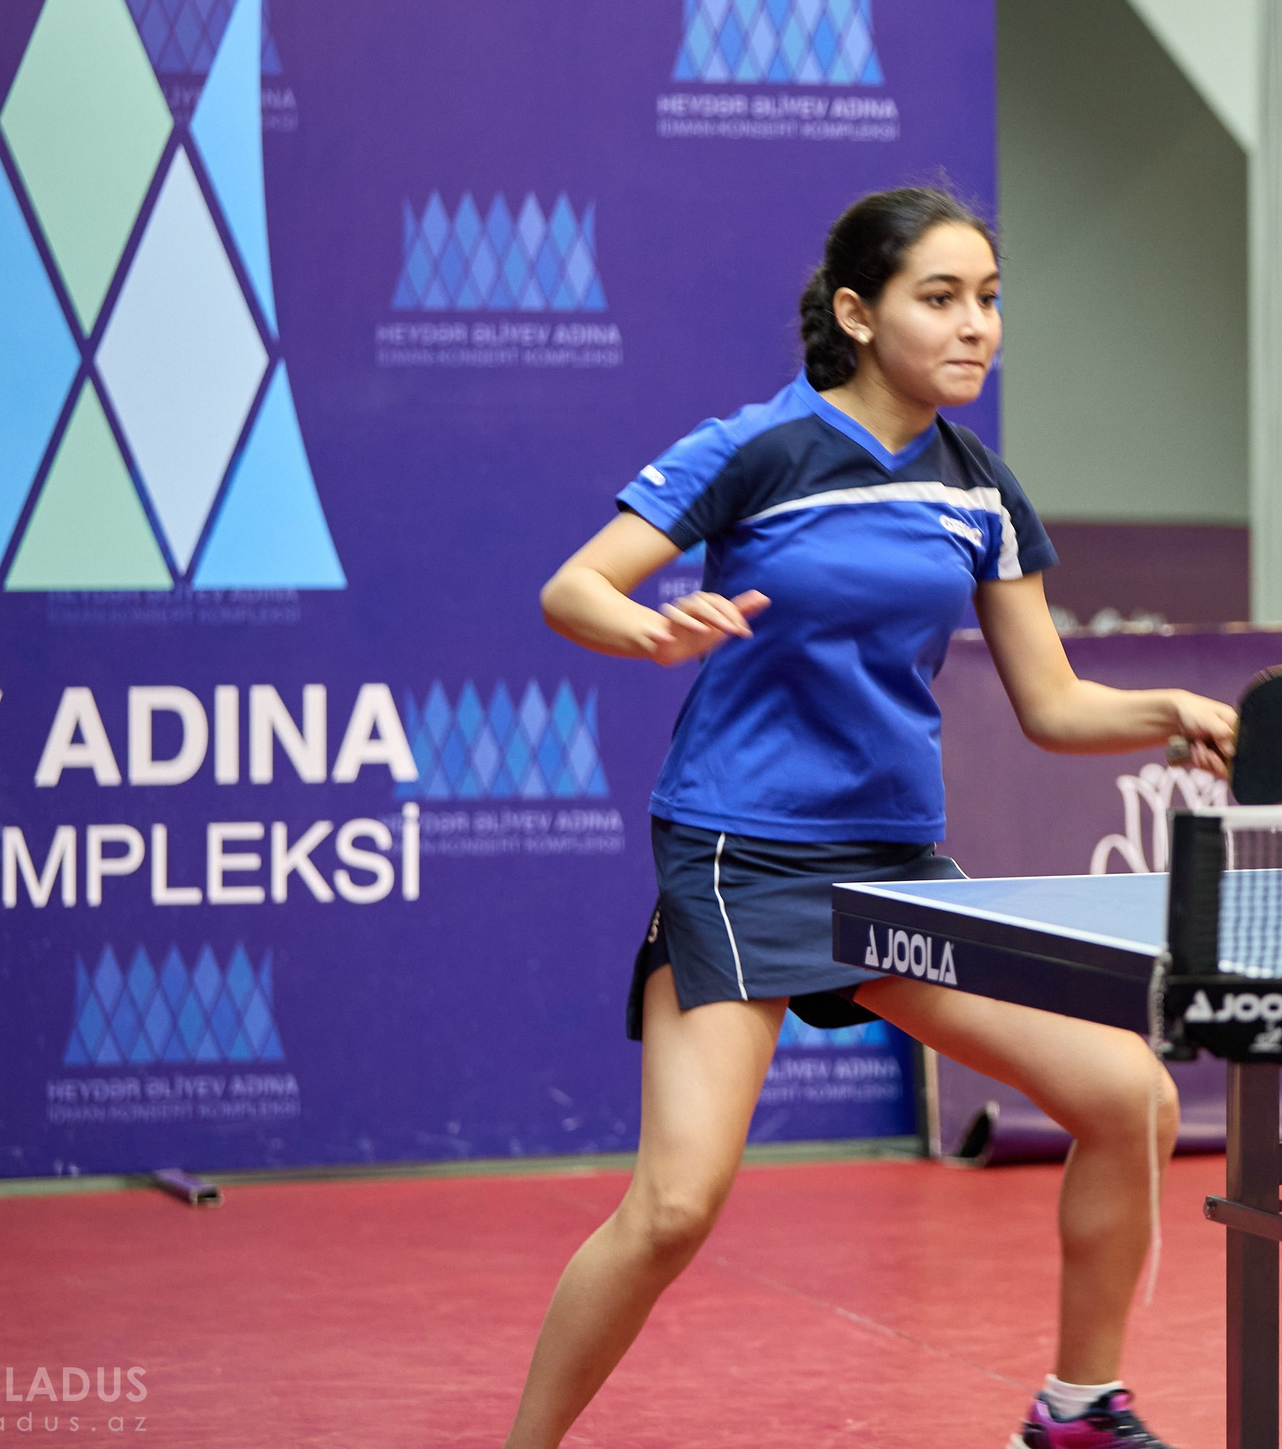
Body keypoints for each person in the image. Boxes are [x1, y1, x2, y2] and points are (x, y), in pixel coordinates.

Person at [502, 186, 1237, 1449]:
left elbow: (1052, 705)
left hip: (892, 866)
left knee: (1130, 1095)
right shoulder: (756, 447)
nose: (975, 327)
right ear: (856, 311)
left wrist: (1166, 708)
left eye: (990, 299)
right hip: (741, 850)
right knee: (677, 1204)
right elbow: (575, 586)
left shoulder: (980, 489)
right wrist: (649, 627)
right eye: (939, 298)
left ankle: (1076, 1410)